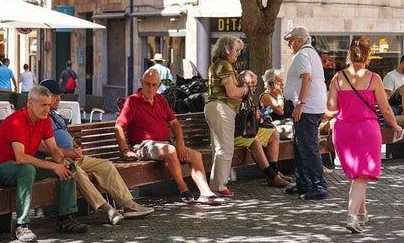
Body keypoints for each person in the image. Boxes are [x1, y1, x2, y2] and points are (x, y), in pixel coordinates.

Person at [38, 79, 154, 225]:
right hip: (57, 160)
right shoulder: (40, 117)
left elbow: (66, 134)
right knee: (76, 171)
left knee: (106, 165)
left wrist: (76, 147)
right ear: (45, 96)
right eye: (56, 96)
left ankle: (129, 205)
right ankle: (108, 209)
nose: (59, 99)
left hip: (73, 156)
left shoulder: (55, 115)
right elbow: (42, 147)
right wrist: (68, 153)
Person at [0, 85, 89, 243]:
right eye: (43, 105)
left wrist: (62, 163)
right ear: (30, 103)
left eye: (48, 105)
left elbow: (54, 149)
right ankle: (22, 225)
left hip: (23, 168)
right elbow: (21, 158)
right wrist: (54, 166)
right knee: (27, 169)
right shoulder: (16, 121)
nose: (47, 109)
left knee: (68, 166)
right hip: (1, 168)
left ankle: (66, 219)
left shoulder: (45, 120)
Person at [115, 68, 225, 205]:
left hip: (165, 144)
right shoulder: (132, 101)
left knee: (196, 156)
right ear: (141, 82)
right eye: (147, 84)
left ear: (159, 86)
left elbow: (174, 124)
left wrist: (180, 143)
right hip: (143, 145)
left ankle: (205, 193)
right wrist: (125, 150)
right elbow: (119, 126)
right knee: (170, 151)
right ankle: (183, 189)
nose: (150, 88)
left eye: (154, 85)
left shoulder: (161, 100)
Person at [327, 36, 402, 233]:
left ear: (349, 54)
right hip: (367, 129)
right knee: (362, 175)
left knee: (358, 174)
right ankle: (352, 216)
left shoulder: (338, 77)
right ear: (368, 54)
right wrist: (395, 126)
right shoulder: (374, 78)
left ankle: (362, 212)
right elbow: (385, 110)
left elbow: (331, 106)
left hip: (343, 130)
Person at [283, 26, 328, 200]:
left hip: (307, 108)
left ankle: (318, 185)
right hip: (312, 107)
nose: (289, 45)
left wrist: (300, 104)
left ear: (300, 40)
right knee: (301, 145)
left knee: (308, 147)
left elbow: (307, 79)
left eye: (291, 41)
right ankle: (303, 183)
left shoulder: (302, 54)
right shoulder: (311, 53)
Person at [204, 35, 248, 197]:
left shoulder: (216, 64)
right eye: (236, 50)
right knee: (225, 148)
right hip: (222, 109)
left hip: (214, 108)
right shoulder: (225, 65)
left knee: (219, 148)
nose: (238, 53)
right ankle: (220, 185)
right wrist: (245, 90)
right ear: (227, 49)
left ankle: (217, 184)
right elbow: (232, 92)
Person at [237, 70, 290, 187]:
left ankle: (275, 172)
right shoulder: (238, 96)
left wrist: (257, 115)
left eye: (255, 86)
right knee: (254, 142)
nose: (253, 89)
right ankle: (272, 176)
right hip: (240, 133)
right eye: (250, 86)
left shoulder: (249, 97)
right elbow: (280, 111)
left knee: (273, 134)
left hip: (251, 129)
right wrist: (280, 95)